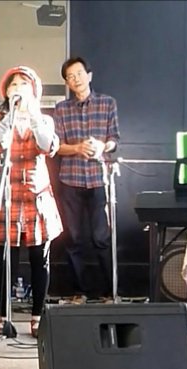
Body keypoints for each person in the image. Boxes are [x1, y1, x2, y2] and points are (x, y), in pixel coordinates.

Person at [0, 66, 63, 337]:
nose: (18, 88)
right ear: (6, 91)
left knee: (40, 259)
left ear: (34, 91)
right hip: (8, 196)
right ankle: (3, 315)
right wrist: (11, 116)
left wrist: (33, 115)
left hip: (36, 196)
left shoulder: (44, 120)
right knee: (7, 260)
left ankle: (38, 316)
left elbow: (47, 146)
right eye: (13, 84)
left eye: (24, 84)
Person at [52, 56, 121, 304]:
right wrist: (77, 148)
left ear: (89, 76)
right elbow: (56, 146)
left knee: (101, 238)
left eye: (79, 74)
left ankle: (109, 292)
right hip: (70, 180)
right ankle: (78, 292)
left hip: (99, 179)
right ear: (67, 83)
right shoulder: (61, 109)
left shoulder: (107, 103)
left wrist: (102, 146)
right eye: (70, 77)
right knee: (73, 238)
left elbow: (114, 139)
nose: (76, 79)